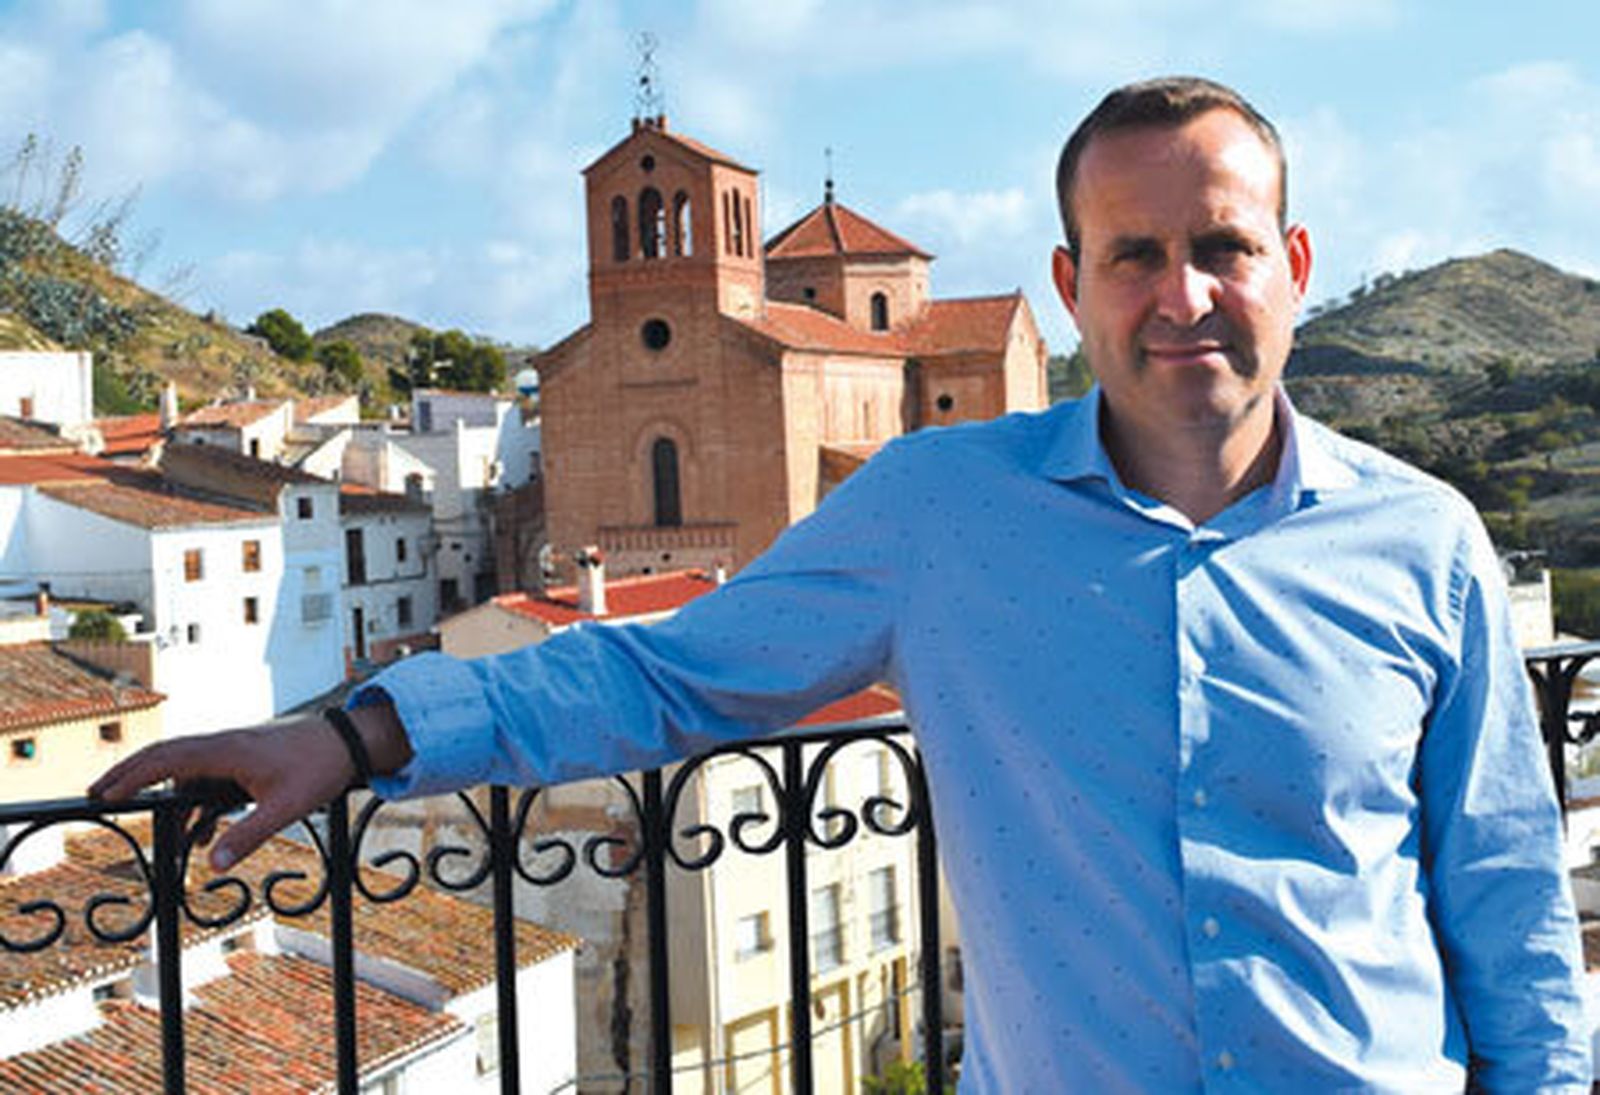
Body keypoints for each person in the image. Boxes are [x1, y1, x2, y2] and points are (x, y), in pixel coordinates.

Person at [93, 76, 1588, 1091]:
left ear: (1297, 263)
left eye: (1222, 246)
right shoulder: (942, 511)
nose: (1180, 294)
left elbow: (1510, 901)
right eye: (1133, 254)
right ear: (1066, 289)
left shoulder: (1427, 541)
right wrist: (353, 736)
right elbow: (661, 671)